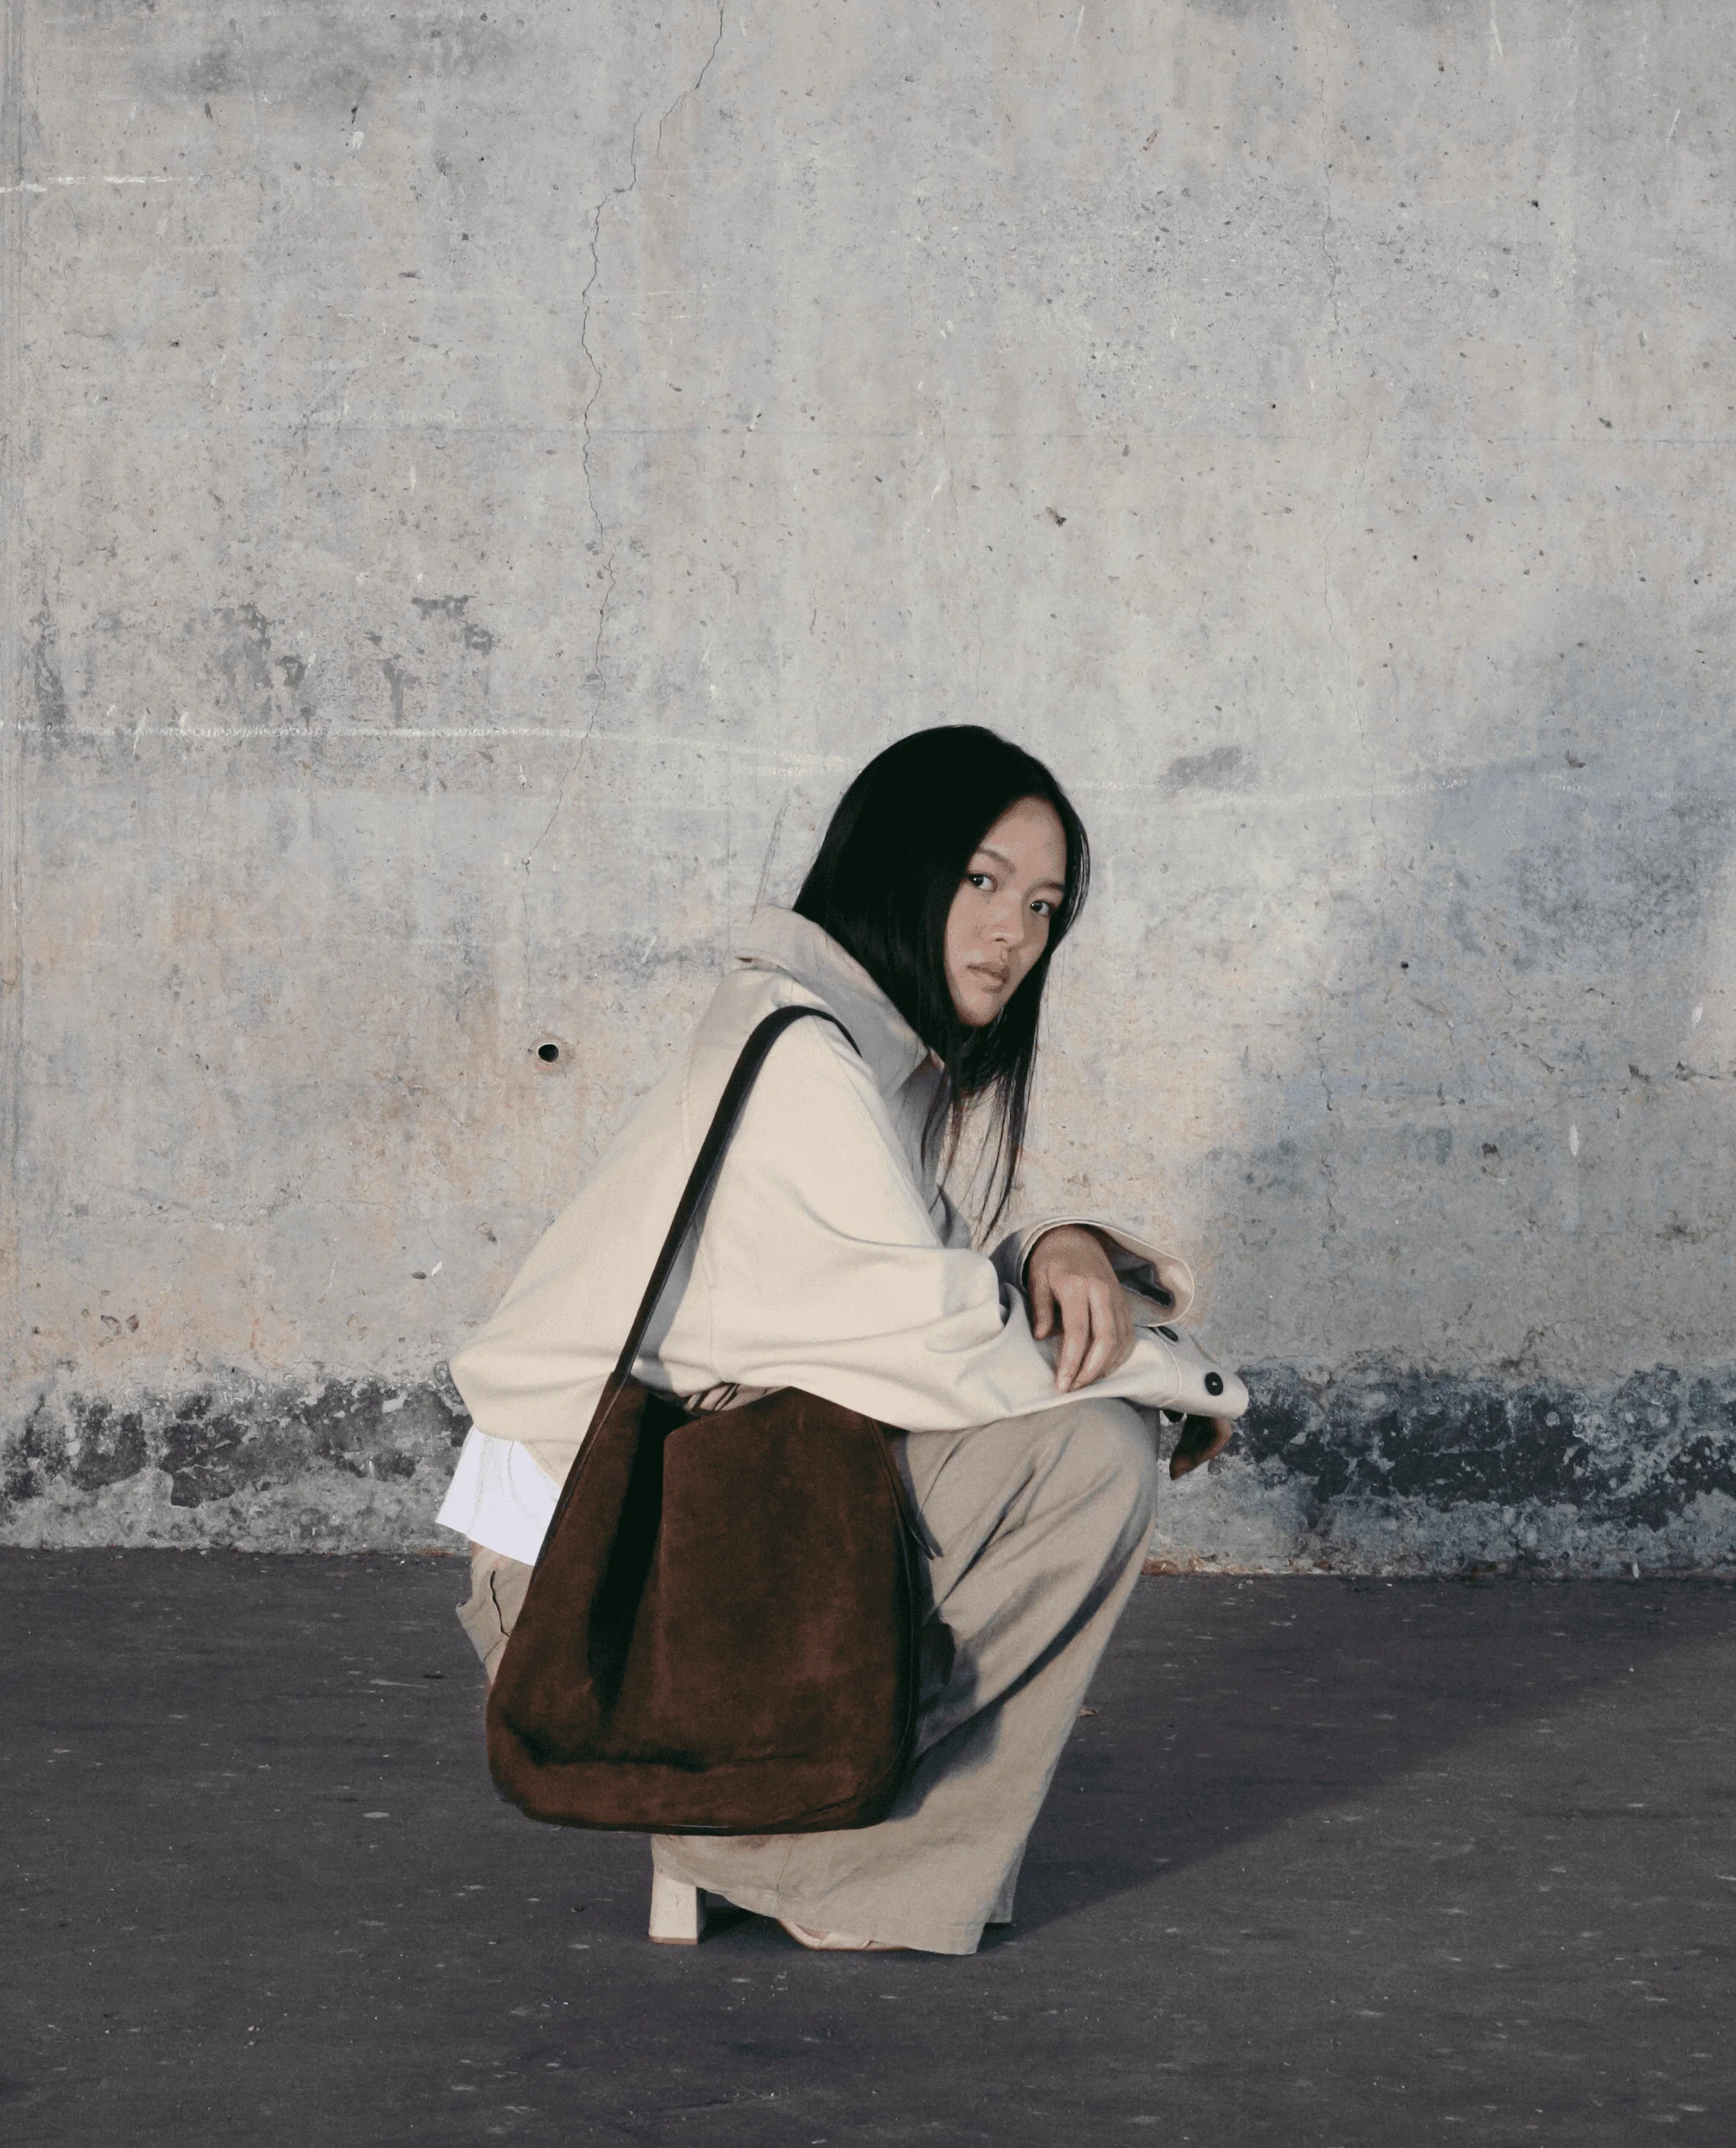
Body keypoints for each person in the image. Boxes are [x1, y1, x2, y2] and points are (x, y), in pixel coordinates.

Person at [436, 725, 1240, 1955]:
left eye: (1041, 904)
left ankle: (816, 1851)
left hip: (681, 1539)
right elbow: (940, 1347)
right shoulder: (803, 1058)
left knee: (1084, 1443)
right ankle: (768, 1847)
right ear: (900, 863)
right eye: (979, 880)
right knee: (1089, 1455)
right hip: (594, 1587)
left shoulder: (854, 1047)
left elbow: (928, 1281)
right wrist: (1196, 1381)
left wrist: (1053, 1245)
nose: (1012, 933)